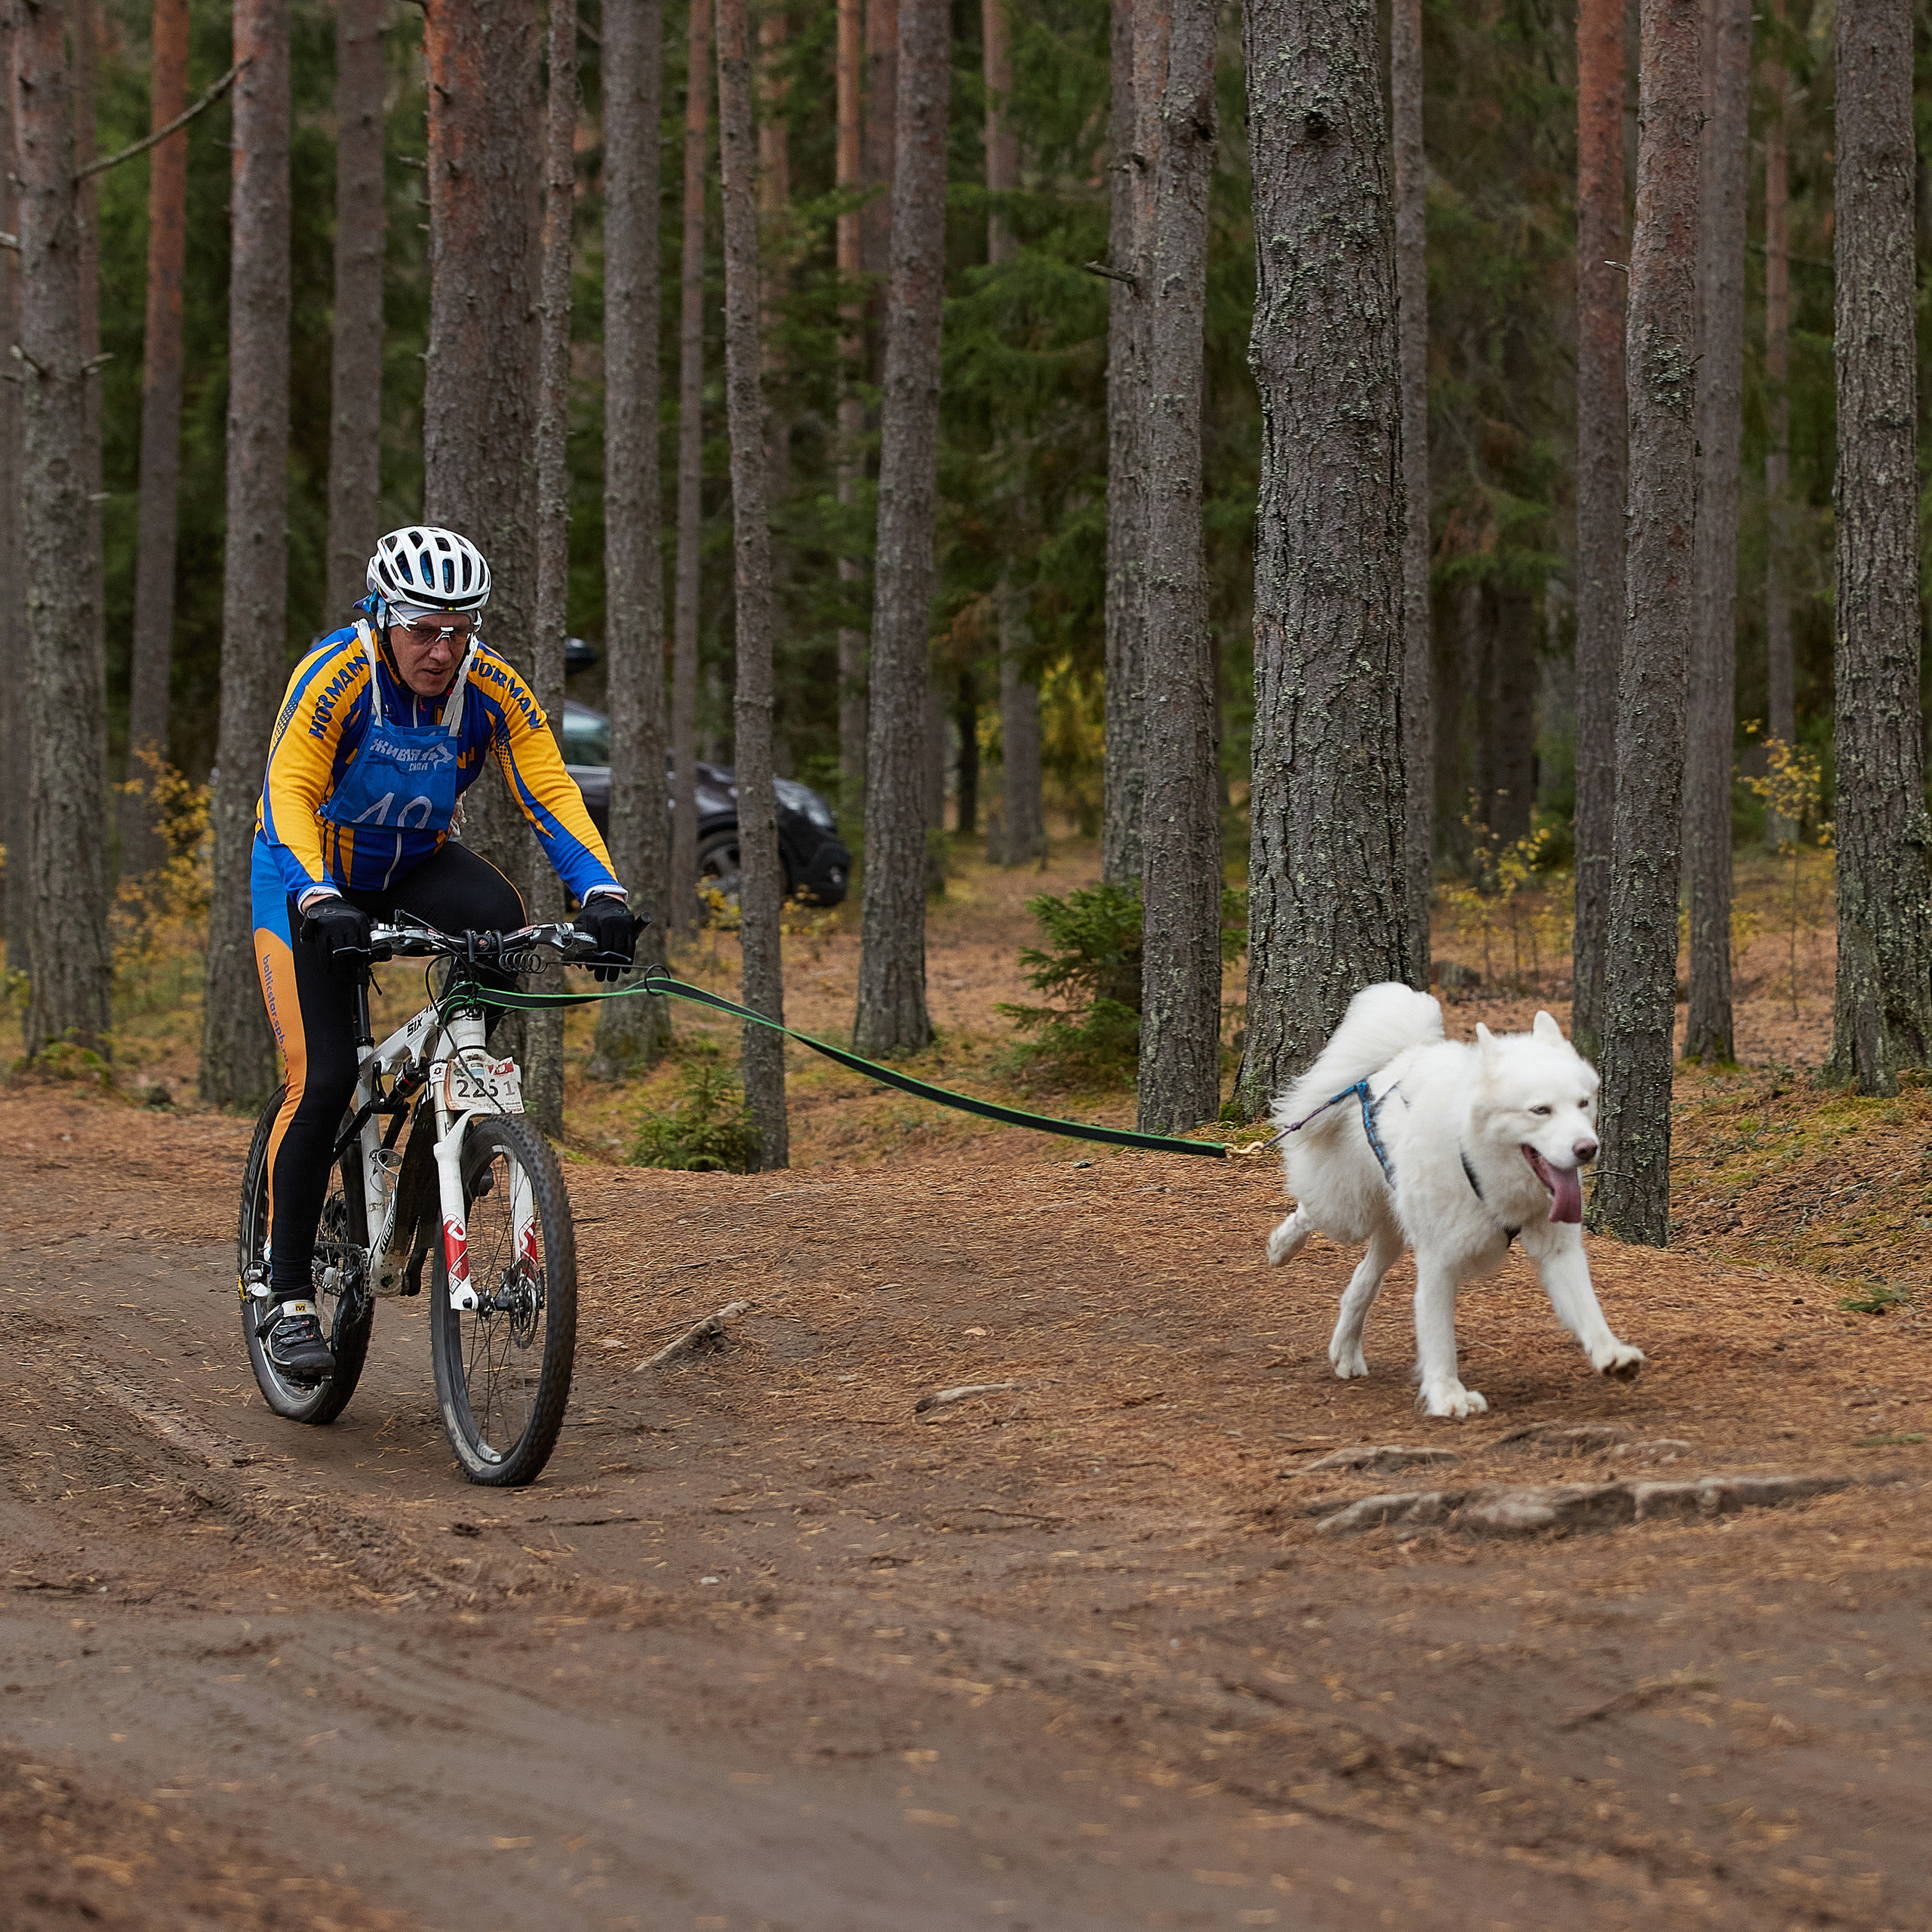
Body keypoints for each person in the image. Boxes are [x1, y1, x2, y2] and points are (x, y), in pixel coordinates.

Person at [250, 525, 638, 1379]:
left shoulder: (489, 685)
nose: (441, 650)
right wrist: (317, 895)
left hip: (411, 865)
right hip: (302, 877)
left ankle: (452, 1121)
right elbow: (288, 791)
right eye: (423, 629)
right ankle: (284, 1292)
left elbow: (548, 788)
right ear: (382, 616)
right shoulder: (336, 675)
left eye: (459, 631)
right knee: (321, 1081)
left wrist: (602, 893)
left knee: (501, 921)